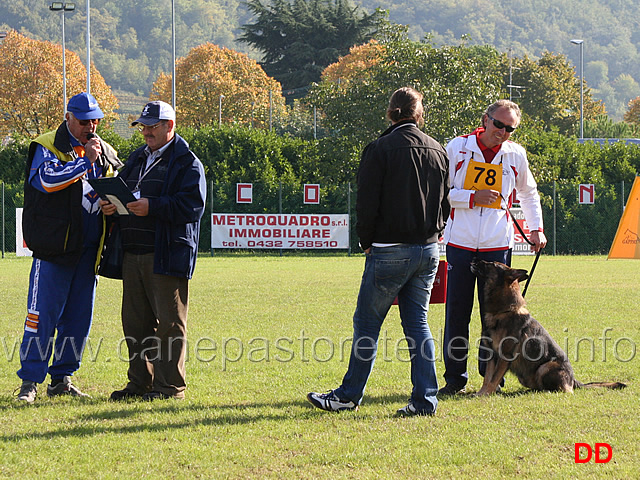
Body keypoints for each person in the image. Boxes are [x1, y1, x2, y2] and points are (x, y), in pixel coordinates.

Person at [307, 87, 450, 416]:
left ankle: (348, 396)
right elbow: (445, 202)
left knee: (367, 325)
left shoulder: (380, 149)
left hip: (389, 249)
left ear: (390, 112)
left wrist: (366, 241)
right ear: (418, 113)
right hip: (428, 249)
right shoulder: (438, 150)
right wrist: (434, 234)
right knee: (418, 325)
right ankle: (425, 400)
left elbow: (367, 201)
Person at [17, 92, 122, 403]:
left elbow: (118, 183)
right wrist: (84, 161)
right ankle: (29, 383)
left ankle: (62, 378)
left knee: (78, 320)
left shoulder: (106, 151)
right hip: (55, 249)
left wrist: (112, 205)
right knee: (41, 317)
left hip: (89, 251)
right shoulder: (48, 146)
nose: (90, 127)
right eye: (83, 121)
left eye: (94, 120)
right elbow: (47, 181)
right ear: (68, 119)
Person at [439, 99, 547, 396]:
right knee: (457, 314)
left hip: (497, 246)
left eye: (509, 128)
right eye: (498, 124)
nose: (502, 132)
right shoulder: (456, 148)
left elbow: (528, 192)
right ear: (485, 120)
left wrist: (536, 229)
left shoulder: (515, 154)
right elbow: (442, 191)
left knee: (497, 319)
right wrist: (472, 198)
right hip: (460, 243)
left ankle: (490, 381)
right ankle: (454, 378)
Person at [101, 101, 206, 401]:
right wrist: (111, 205)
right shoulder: (137, 158)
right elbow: (124, 190)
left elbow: (192, 207)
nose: (145, 131)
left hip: (166, 254)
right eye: (143, 126)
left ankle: (170, 388)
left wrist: (154, 206)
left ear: (170, 126)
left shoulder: (188, 162)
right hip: (132, 253)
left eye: (151, 126)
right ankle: (139, 384)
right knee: (135, 324)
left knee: (170, 326)